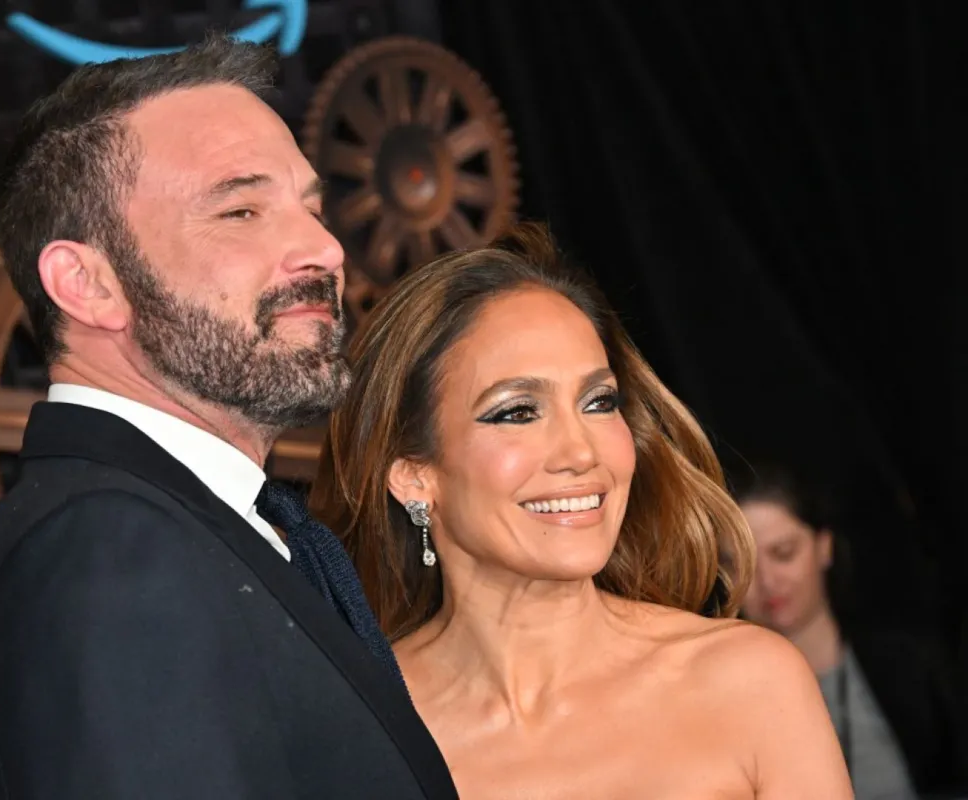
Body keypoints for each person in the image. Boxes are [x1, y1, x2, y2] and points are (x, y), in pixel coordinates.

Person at [0, 36, 457, 800]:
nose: (322, 247)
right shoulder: (109, 558)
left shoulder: (192, 526)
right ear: (87, 285)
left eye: (312, 208)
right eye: (240, 209)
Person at [309, 222, 854, 798]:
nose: (580, 451)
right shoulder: (361, 726)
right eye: (518, 411)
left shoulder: (750, 682)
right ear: (415, 476)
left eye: (599, 402)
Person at [735, 463, 968, 800]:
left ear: (824, 547)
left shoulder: (911, 662)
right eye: (743, 565)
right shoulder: (732, 702)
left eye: (783, 554)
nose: (768, 581)